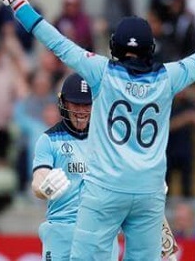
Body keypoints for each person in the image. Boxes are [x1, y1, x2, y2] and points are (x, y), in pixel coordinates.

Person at [0, 0, 195, 260]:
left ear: (114, 47)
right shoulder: (169, 77)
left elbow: (57, 43)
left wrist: (18, 3)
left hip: (105, 190)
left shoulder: (101, 72)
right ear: (151, 49)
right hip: (149, 191)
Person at [31, 73, 120, 260]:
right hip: (62, 230)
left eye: (86, 104)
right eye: (75, 104)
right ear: (63, 103)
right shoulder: (49, 140)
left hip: (100, 230)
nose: (81, 110)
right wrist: (44, 188)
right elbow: (39, 179)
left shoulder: (109, 140)